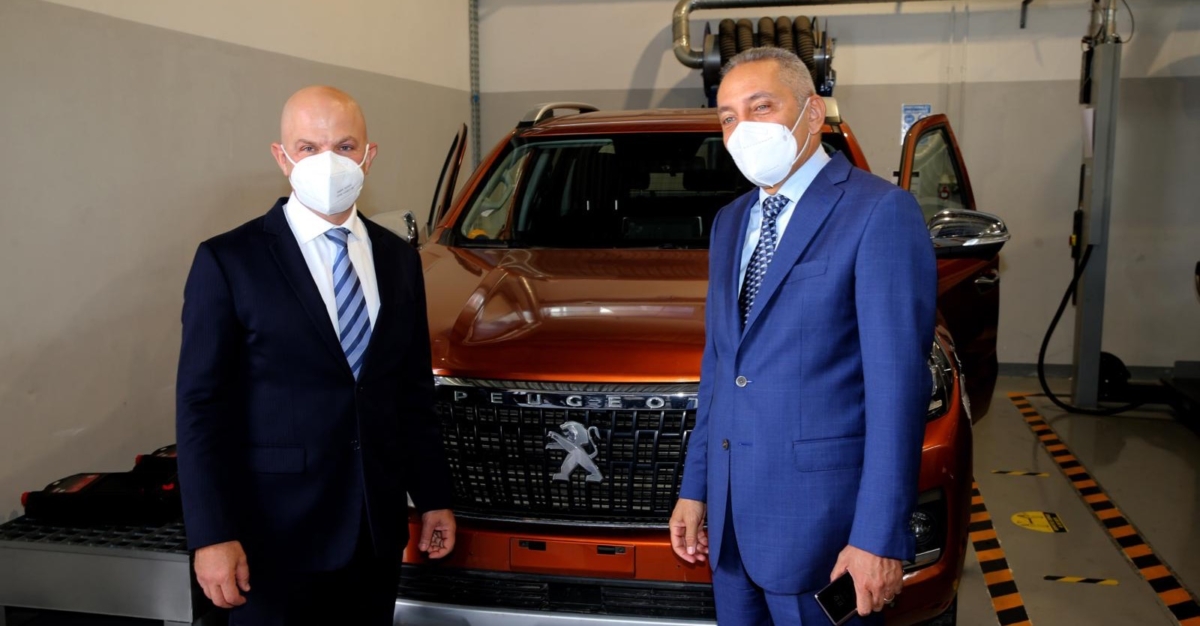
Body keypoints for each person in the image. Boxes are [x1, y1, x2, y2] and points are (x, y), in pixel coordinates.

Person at [669, 47, 936, 624]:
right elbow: (721, 370)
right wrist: (696, 490)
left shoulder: (879, 212)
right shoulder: (730, 222)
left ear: (812, 114)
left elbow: (897, 391)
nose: (742, 128)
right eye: (728, 117)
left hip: (824, 532)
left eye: (761, 107)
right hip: (733, 530)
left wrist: (878, 537)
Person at [176, 85, 455, 625]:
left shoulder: (398, 261)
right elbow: (200, 409)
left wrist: (432, 495)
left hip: (373, 534)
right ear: (282, 158)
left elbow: (412, 394)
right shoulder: (229, 261)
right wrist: (211, 534)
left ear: (369, 156)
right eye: (308, 147)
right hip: (271, 538)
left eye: (345, 146)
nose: (328, 162)